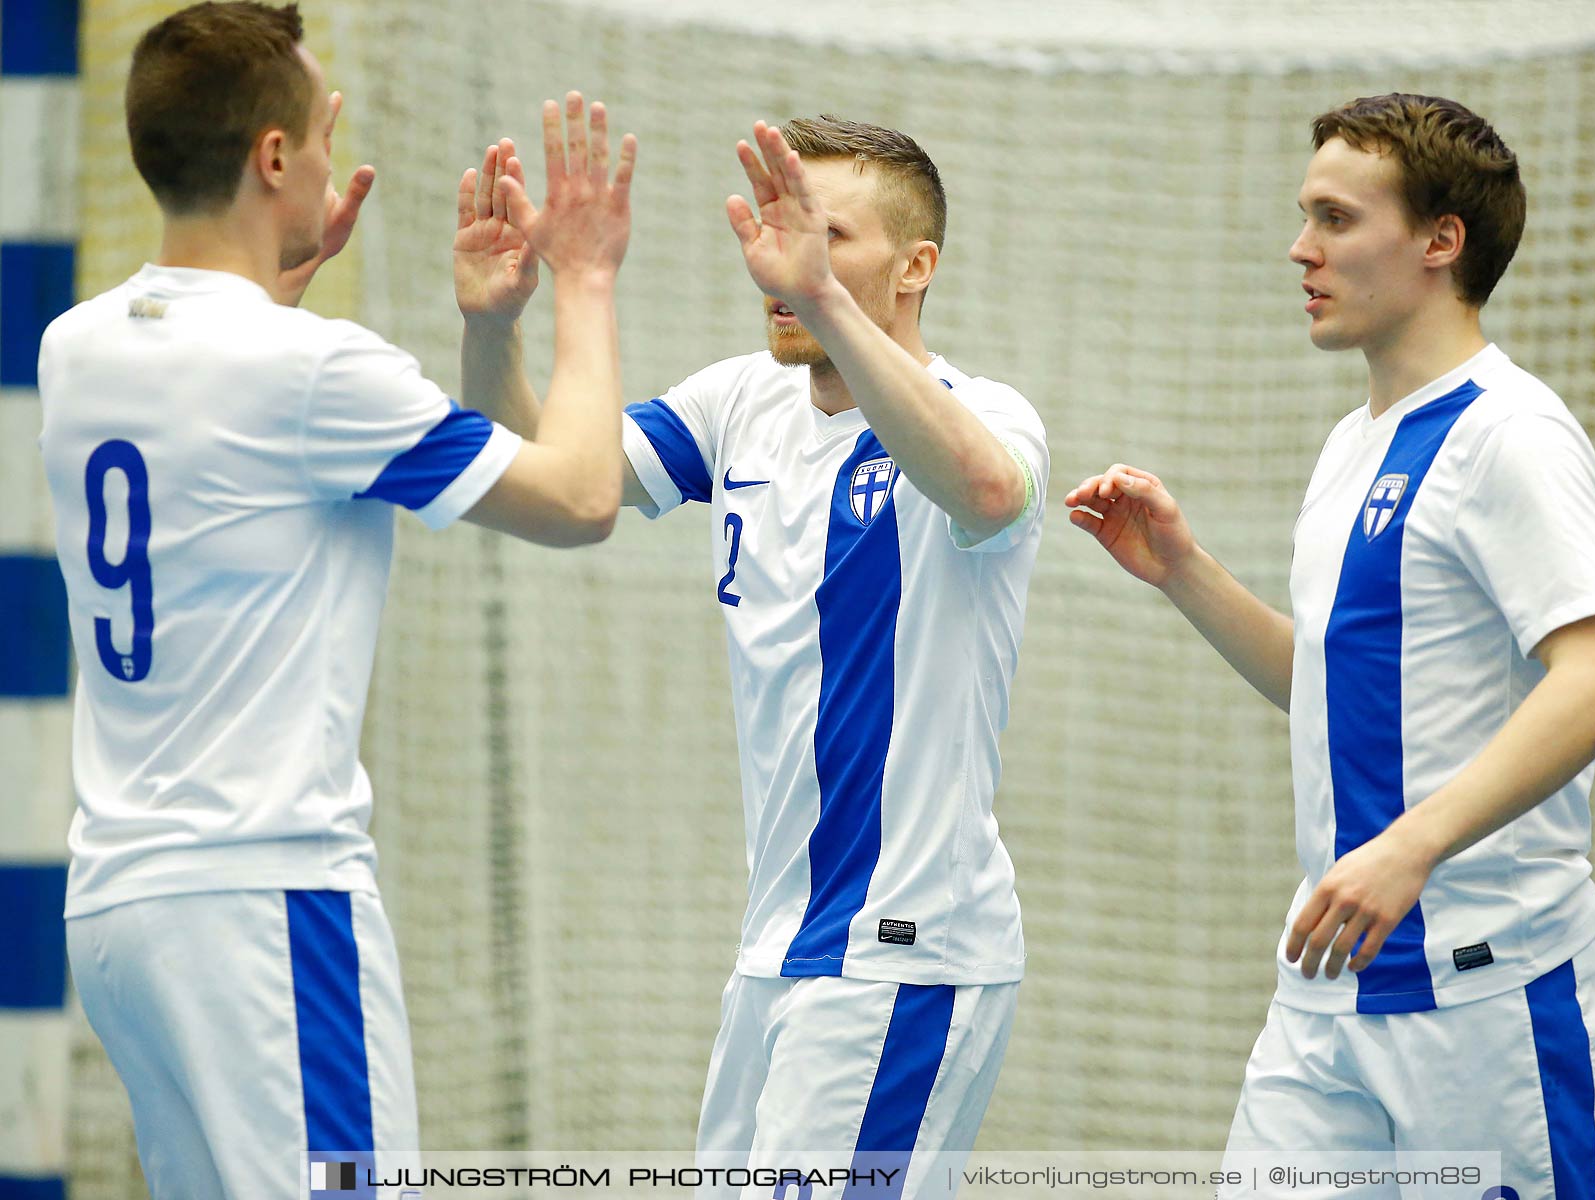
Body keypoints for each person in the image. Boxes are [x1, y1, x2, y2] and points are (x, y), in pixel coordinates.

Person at [39, 3, 636, 1195]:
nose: (328, 155)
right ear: (271, 158)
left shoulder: (78, 345)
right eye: (321, 133)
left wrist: (291, 295)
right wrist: (584, 279)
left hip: (121, 911)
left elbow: (231, 447)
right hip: (267, 908)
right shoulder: (312, 373)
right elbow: (580, 498)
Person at [456, 116, 1047, 1193]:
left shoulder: (983, 413)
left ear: (917, 267)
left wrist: (821, 297)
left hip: (900, 952)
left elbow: (988, 491)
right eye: (775, 225)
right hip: (777, 950)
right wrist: (493, 333)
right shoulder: (738, 402)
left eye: (825, 236)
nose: (784, 259)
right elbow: (549, 488)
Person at [1067, 94, 1595, 1199]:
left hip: (1491, 998)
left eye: (1335, 217)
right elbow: (1339, 692)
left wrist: (1411, 846)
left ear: (1439, 241)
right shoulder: (1352, 445)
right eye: (1304, 216)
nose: (1301, 248)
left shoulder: (1511, 434)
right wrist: (1185, 570)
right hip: (1327, 997)